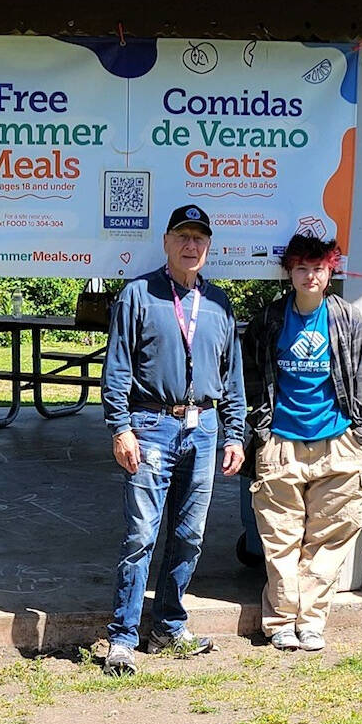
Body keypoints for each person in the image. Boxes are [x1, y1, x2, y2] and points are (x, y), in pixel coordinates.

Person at [100, 204, 247, 676]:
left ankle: (167, 627)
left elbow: (233, 377)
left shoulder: (219, 303)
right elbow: (117, 368)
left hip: (203, 428)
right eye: (182, 236)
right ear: (165, 242)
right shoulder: (138, 294)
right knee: (141, 535)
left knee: (189, 536)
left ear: (209, 247)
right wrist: (120, 427)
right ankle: (123, 638)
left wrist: (235, 434)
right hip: (150, 425)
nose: (190, 245)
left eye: (199, 238)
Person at [241, 234, 362, 653]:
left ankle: (312, 621)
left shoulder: (348, 318)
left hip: (338, 441)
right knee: (280, 538)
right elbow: (251, 375)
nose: (310, 276)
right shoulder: (270, 318)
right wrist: (260, 429)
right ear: (290, 272)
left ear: (331, 271)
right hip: (281, 442)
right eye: (301, 268)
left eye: (318, 268)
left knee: (329, 539)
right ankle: (281, 621)